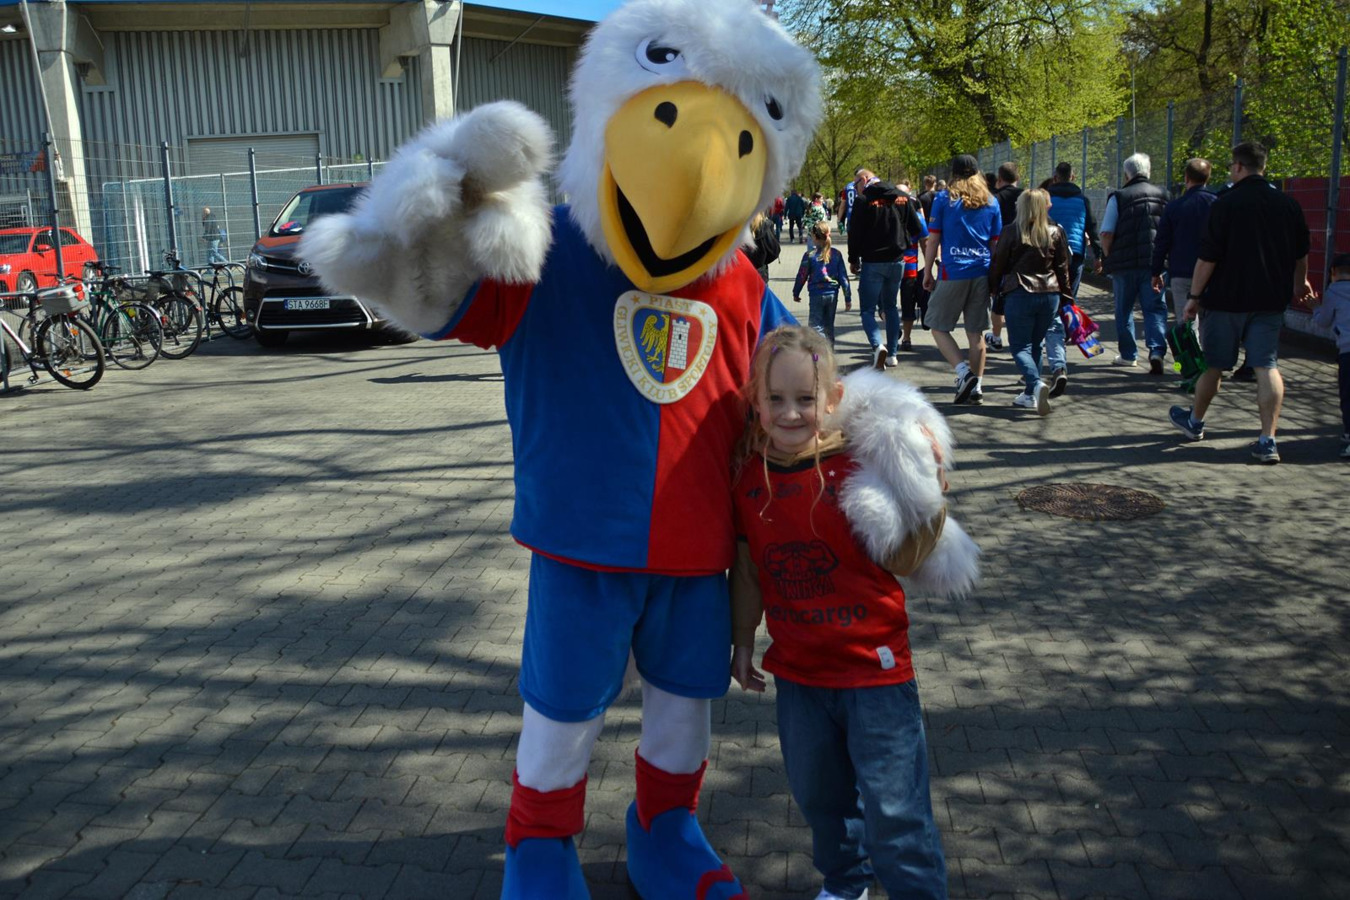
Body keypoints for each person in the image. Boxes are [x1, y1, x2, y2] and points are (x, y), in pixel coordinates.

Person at [730, 325, 974, 900]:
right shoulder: (748, 478)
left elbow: (905, 558)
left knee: (896, 811)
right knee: (821, 798)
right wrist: (741, 641)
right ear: (755, 401)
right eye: (776, 399)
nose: (791, 413)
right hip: (799, 678)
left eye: (805, 398)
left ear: (833, 399)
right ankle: (846, 883)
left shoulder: (859, 469)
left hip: (875, 673)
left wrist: (929, 498)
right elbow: (748, 569)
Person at [1168, 141, 1314, 464]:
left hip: (1225, 300)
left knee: (1215, 365)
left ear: (1238, 167)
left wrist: (1194, 297)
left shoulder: (1225, 204)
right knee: (1266, 365)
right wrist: (1299, 282)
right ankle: (1268, 440)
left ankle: (1195, 422)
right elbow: (1301, 252)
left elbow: (1208, 257)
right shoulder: (1287, 204)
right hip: (1270, 299)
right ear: (1263, 166)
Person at [922, 154, 1002, 405]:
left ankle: (963, 372)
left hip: (953, 271)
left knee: (936, 325)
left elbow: (933, 239)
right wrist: (994, 277)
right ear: (977, 173)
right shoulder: (991, 201)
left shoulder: (943, 199)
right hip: (981, 271)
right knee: (976, 334)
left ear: (953, 173)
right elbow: (995, 243)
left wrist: (927, 271)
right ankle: (977, 386)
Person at [987, 189, 1073, 415]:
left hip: (1020, 292)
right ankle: (1029, 395)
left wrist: (993, 289)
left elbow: (998, 264)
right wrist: (1067, 298)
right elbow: (1063, 268)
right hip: (1050, 294)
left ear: (1022, 207)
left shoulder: (1011, 231)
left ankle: (1035, 384)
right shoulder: (1055, 232)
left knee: (1019, 347)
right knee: (1036, 344)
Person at [849, 168, 927, 369]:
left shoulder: (863, 200)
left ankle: (878, 346)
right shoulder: (902, 197)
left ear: (864, 179)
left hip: (872, 261)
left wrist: (853, 259)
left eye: (856, 184)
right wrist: (901, 235)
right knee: (891, 307)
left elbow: (854, 233)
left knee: (867, 309)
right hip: (897, 260)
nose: (855, 189)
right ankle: (892, 354)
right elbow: (917, 228)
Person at [1100, 152, 1169, 373]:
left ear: (1126, 174)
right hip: (1155, 263)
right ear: (1148, 171)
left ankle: (1129, 355)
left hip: (1124, 265)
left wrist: (1109, 255)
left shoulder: (1119, 197)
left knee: (1124, 309)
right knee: (1155, 308)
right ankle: (1156, 351)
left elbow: (1107, 232)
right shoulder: (1164, 195)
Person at [1045, 162, 1105, 397]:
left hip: (1049, 253)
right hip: (1076, 255)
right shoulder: (1082, 199)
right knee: (1069, 297)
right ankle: (1066, 332)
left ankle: (1054, 334)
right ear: (1073, 176)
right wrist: (1098, 255)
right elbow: (1092, 228)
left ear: (1055, 177)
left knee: (1051, 296)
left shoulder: (1047, 198)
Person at [1152, 158, 1216, 330]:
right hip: (1212, 273)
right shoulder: (1217, 204)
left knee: (1186, 323)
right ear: (1207, 178)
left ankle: (1191, 347)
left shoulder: (1174, 207)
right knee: (1210, 324)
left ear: (1186, 177)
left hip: (1182, 272)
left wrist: (1156, 271)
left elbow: (1162, 242)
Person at [1309, 252, 1350, 459]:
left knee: (1348, 396)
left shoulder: (1333, 292)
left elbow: (1323, 321)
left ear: (1333, 272)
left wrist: (1315, 307)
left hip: (1347, 351)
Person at [793, 220, 852, 346]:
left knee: (815, 327)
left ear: (814, 237)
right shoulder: (836, 254)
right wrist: (848, 297)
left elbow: (802, 275)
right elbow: (843, 277)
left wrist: (796, 292)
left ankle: (820, 351)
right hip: (832, 294)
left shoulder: (810, 255)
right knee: (829, 326)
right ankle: (829, 351)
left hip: (816, 294)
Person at [985, 162, 1024, 352]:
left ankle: (997, 336)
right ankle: (1024, 339)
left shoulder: (994, 199)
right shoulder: (1026, 196)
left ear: (999, 179)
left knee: (999, 296)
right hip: (1026, 250)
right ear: (1018, 178)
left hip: (1001, 250)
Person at [896, 179, 929, 350]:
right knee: (908, 303)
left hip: (890, 266)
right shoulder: (918, 218)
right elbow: (925, 243)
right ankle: (906, 339)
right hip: (909, 267)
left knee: (886, 302)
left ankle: (897, 331)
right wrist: (929, 268)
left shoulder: (885, 214)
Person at [743, 208, 782, 282]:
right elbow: (774, 251)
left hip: (742, 269)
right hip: (761, 270)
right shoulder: (764, 225)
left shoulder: (737, 227)